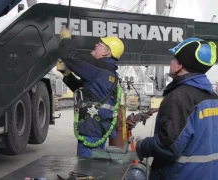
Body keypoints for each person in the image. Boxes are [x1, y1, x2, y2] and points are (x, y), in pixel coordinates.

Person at [135, 37, 218, 179]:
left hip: (181, 174)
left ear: (179, 66)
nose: (170, 62)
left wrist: (142, 145)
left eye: (173, 58)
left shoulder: (179, 96)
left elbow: (168, 146)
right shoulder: (212, 97)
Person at [56, 27, 125, 157]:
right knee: (95, 168)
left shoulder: (96, 67)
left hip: (91, 129)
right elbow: (85, 92)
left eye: (100, 44)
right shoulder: (110, 74)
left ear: (106, 51)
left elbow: (68, 56)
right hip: (100, 128)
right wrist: (67, 74)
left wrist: (66, 38)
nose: (96, 44)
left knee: (85, 170)